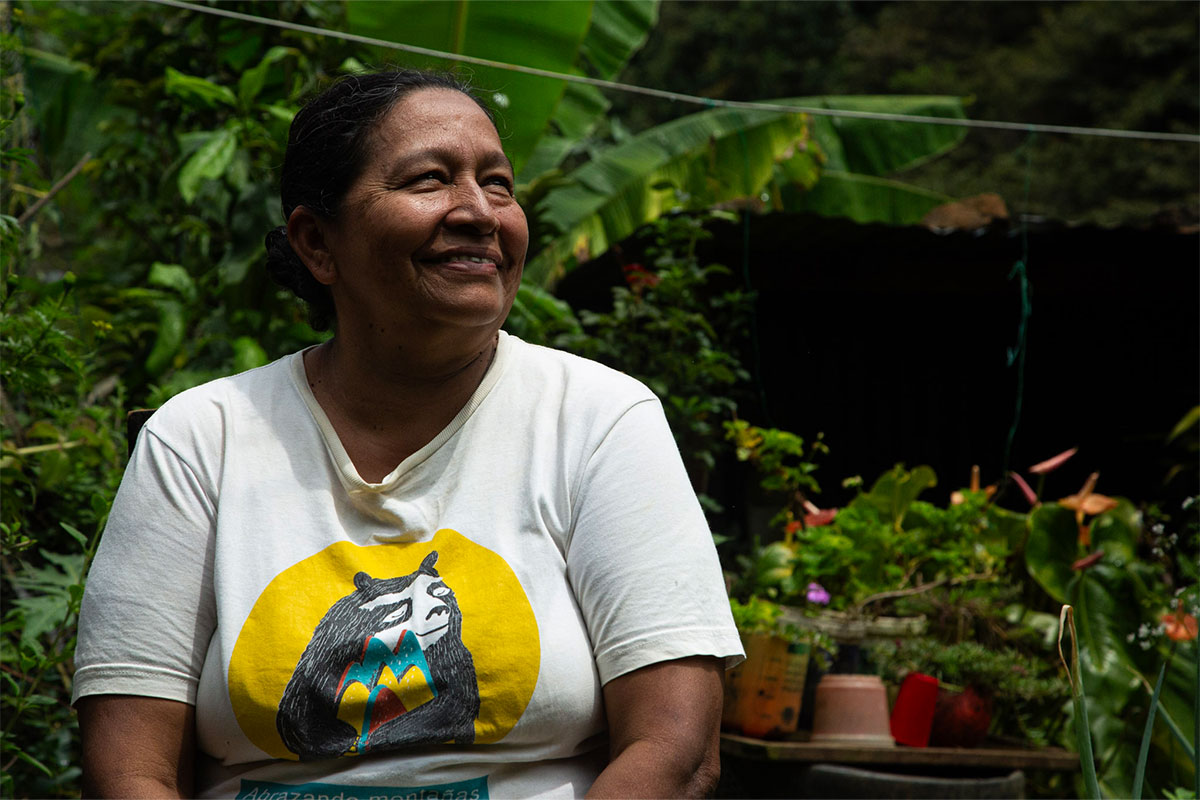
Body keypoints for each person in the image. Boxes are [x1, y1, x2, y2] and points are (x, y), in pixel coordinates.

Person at [73, 69, 743, 799]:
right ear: (316, 243)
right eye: (430, 180)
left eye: (499, 184)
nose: (480, 212)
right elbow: (130, 770)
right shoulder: (203, 439)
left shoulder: (599, 420)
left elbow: (674, 750)